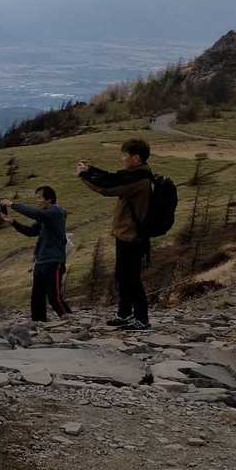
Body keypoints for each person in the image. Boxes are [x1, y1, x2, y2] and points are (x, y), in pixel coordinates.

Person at [77, 138, 153, 331]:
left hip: (133, 236)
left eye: (125, 155)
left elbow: (108, 188)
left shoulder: (139, 179)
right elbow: (113, 177)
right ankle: (124, 314)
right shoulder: (136, 174)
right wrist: (91, 170)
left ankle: (142, 319)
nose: (122, 159)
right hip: (126, 234)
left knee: (132, 278)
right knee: (122, 276)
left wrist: (84, 176)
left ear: (135, 158)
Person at [0, 186, 71, 323]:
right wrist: (13, 222)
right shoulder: (45, 217)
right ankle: (39, 322)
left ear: (49, 200)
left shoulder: (56, 212)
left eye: (39, 198)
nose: (37, 201)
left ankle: (70, 321)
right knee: (37, 296)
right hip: (41, 260)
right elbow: (31, 232)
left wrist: (12, 204)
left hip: (53, 260)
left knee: (54, 296)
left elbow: (35, 213)